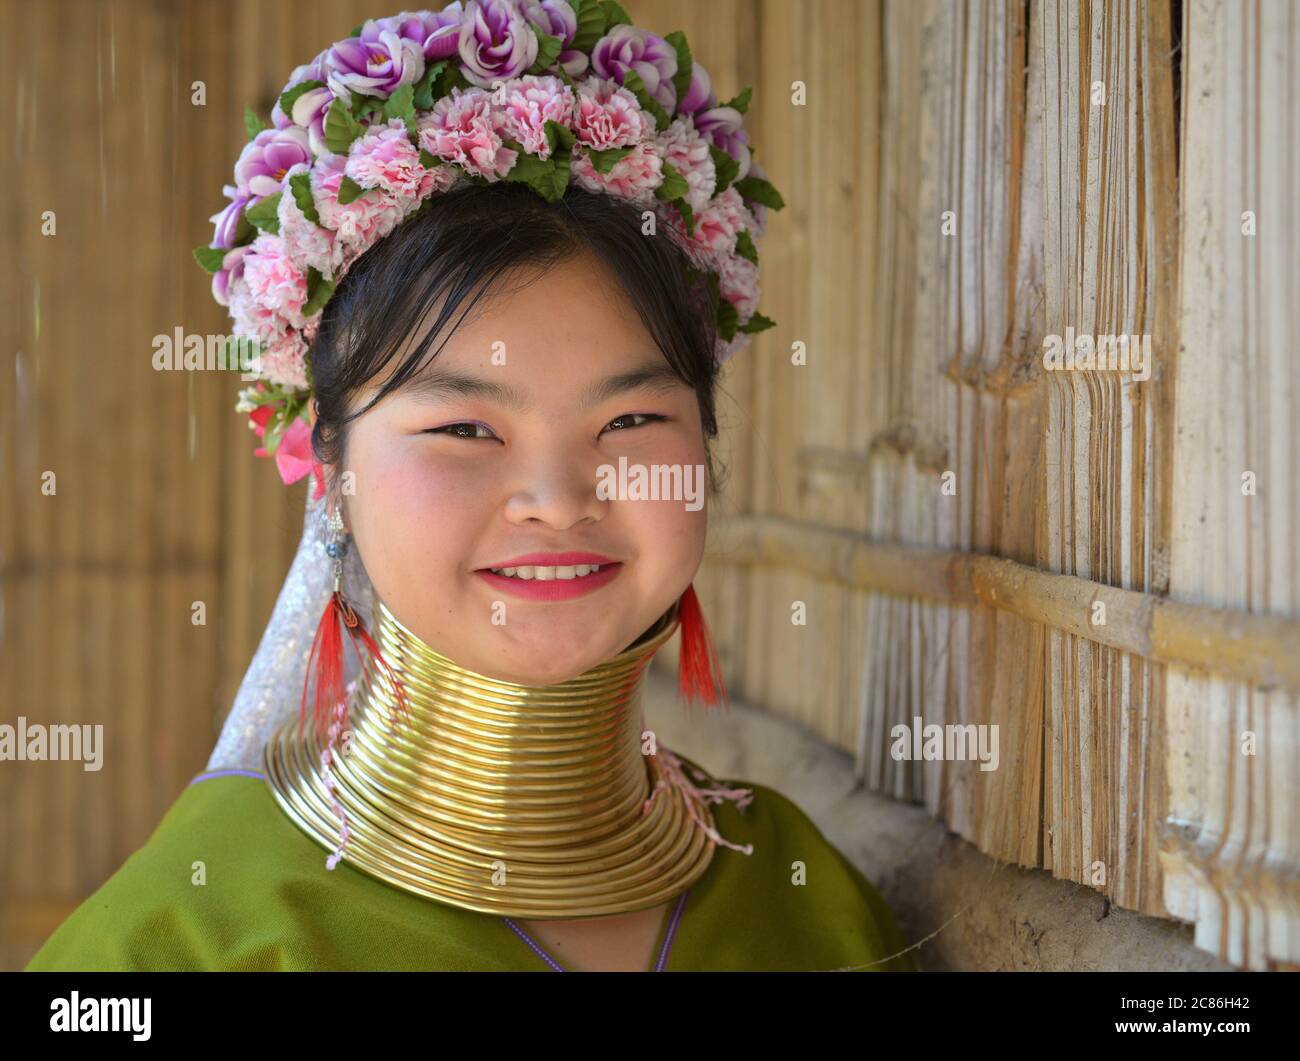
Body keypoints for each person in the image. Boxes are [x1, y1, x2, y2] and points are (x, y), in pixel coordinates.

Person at [25, 1, 915, 973]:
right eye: (462, 427)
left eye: (627, 421)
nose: (558, 497)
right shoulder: (186, 940)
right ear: (332, 472)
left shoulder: (802, 894)